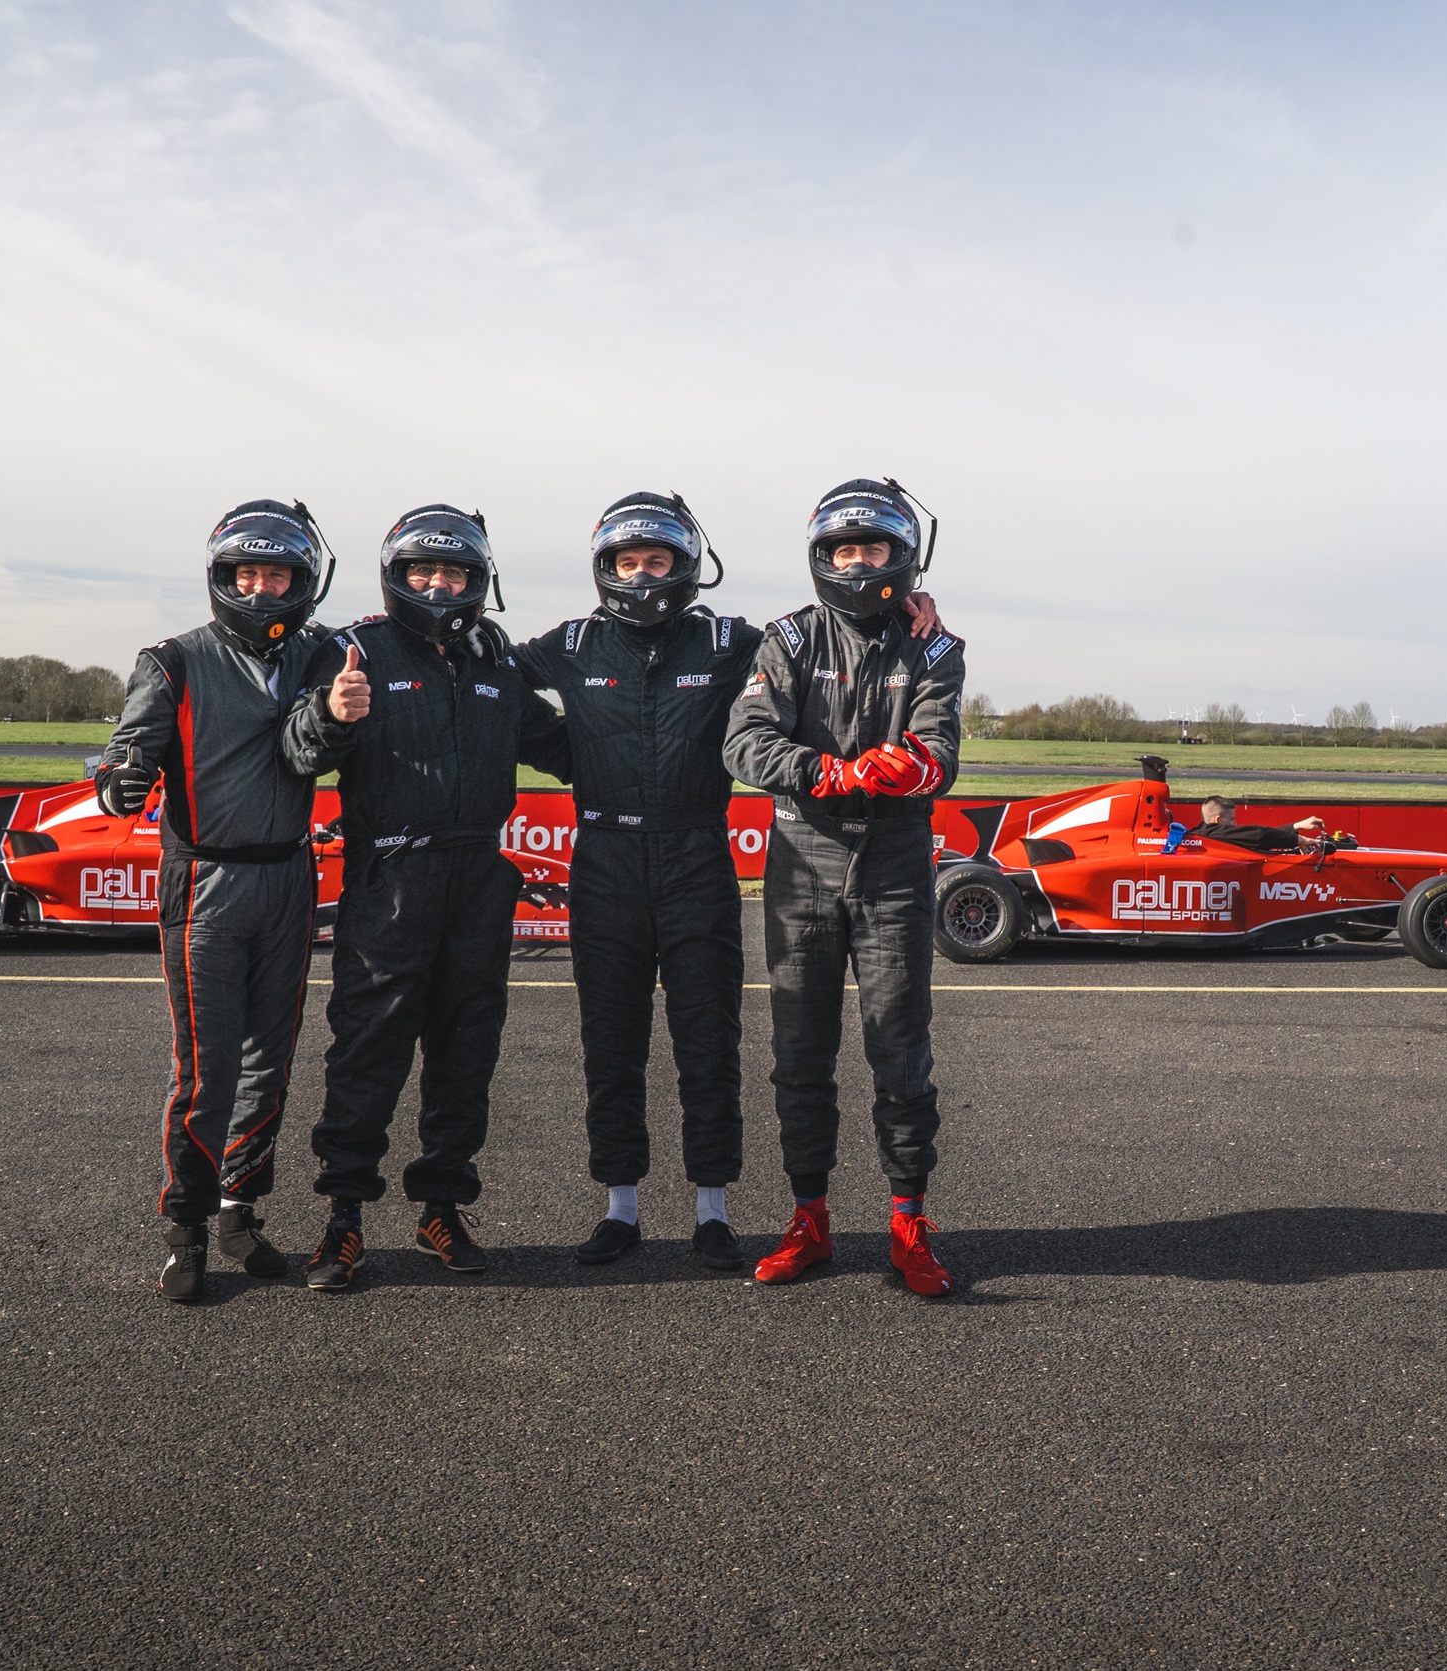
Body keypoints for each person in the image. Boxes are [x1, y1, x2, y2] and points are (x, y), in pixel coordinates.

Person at [525, 493, 951, 1271]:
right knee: (613, 1044)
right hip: (609, 859)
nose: (642, 575)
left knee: (717, 1041)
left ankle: (716, 1208)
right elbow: (484, 678)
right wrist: (572, 751)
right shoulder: (574, 641)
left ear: (686, 565)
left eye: (657, 560)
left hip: (702, 856)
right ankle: (623, 1205)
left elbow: (878, 680)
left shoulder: (735, 640)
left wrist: (911, 610)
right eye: (629, 561)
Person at [282, 505, 572, 1294]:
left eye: (453, 572)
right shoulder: (356, 650)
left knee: (465, 1050)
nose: (439, 584)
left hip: (477, 875)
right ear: (396, 575)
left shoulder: (494, 660)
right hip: (390, 877)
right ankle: (342, 1216)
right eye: (423, 570)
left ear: (478, 580)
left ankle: (441, 1204)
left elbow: (564, 746)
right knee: (366, 1048)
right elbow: (299, 751)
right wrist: (329, 716)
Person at [721, 478, 967, 1296]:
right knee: (799, 1052)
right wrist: (827, 771)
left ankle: (908, 1221)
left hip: (894, 860)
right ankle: (809, 1218)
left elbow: (939, 750)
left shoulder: (934, 645)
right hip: (802, 856)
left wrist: (911, 767)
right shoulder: (787, 638)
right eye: (844, 549)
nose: (858, 562)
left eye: (873, 547)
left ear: (904, 556)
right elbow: (744, 744)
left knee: (899, 1045)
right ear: (821, 555)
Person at [96, 499, 341, 1303]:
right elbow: (124, 754)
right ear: (222, 577)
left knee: (271, 1060)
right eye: (248, 573)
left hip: (290, 876)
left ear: (303, 582)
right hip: (203, 880)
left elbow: (329, 736)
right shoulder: (172, 659)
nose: (262, 588)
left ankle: (239, 1210)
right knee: (207, 1068)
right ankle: (186, 1227)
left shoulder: (321, 654)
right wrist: (122, 778)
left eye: (278, 575)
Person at [1185, 797, 1331, 854]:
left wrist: (1295, 827)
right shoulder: (1213, 834)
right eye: (1232, 819)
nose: (1235, 824)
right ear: (1218, 821)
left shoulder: (1204, 834)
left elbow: (1257, 837)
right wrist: (1299, 840)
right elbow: (1259, 835)